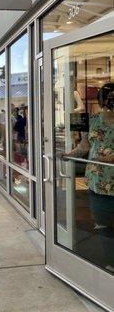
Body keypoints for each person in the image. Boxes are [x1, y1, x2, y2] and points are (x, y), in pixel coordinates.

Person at [65, 82, 114, 271]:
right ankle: (110, 264)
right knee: (103, 226)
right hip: (98, 184)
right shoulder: (91, 120)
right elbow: (84, 146)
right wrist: (70, 155)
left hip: (103, 181)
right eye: (107, 98)